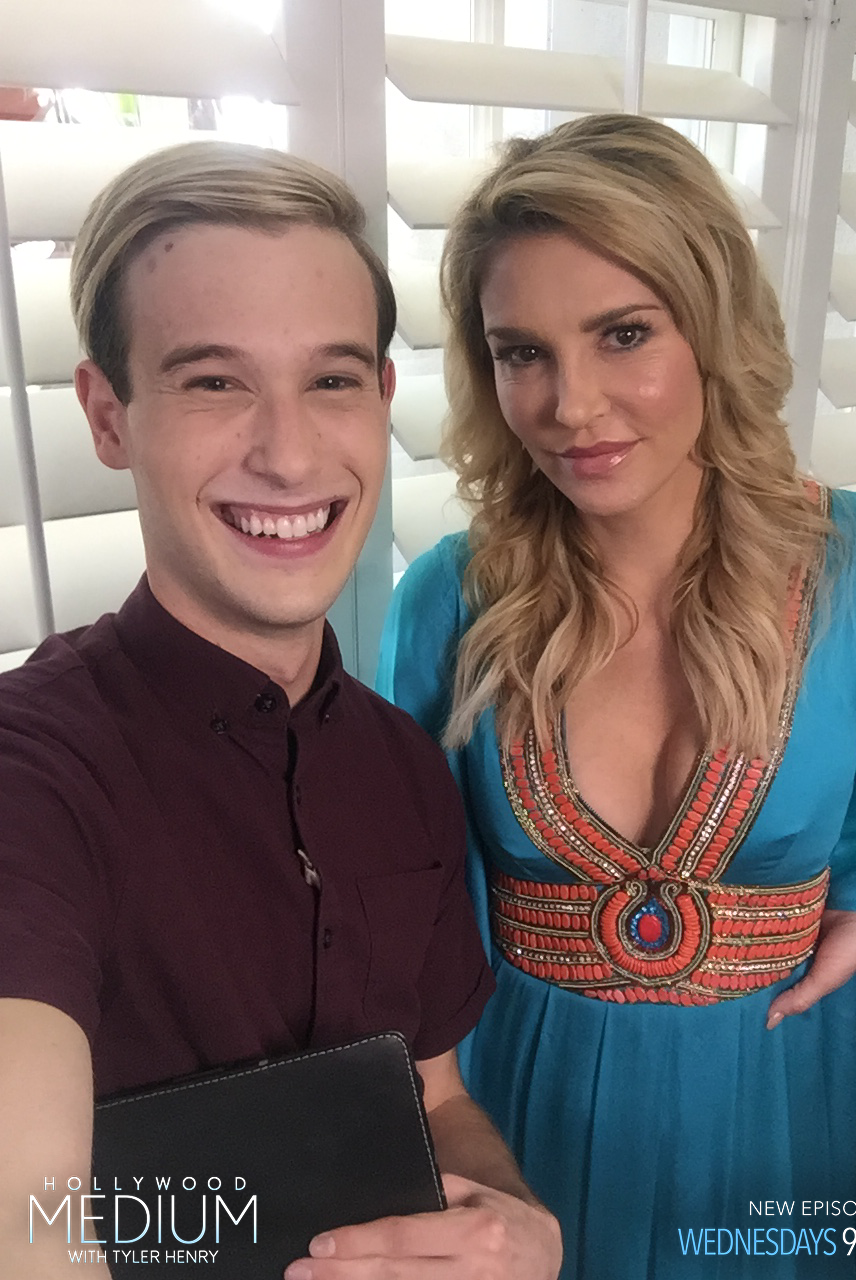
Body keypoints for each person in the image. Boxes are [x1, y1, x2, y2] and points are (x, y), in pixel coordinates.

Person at [377, 113, 856, 1279]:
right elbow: (404, 878)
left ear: (714, 327)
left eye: (624, 333)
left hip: (785, 1110)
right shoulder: (451, 598)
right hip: (521, 1111)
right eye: (522, 352)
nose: (571, 404)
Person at [0, 141, 562, 1280]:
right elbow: (28, 1219)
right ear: (107, 415)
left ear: (383, 399)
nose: (291, 454)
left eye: (332, 380)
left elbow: (434, 1095)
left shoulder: (406, 764)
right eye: (214, 381)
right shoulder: (33, 774)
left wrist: (513, 1222)